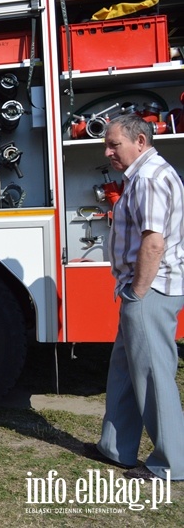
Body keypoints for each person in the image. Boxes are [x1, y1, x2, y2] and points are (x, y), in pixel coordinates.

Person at [93, 114, 184, 481]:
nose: (108, 151)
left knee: (151, 376)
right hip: (147, 290)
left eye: (115, 144)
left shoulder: (147, 178)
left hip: (150, 290)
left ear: (140, 141)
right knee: (126, 371)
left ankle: (171, 463)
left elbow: (154, 241)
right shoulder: (148, 174)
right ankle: (116, 448)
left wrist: (138, 292)